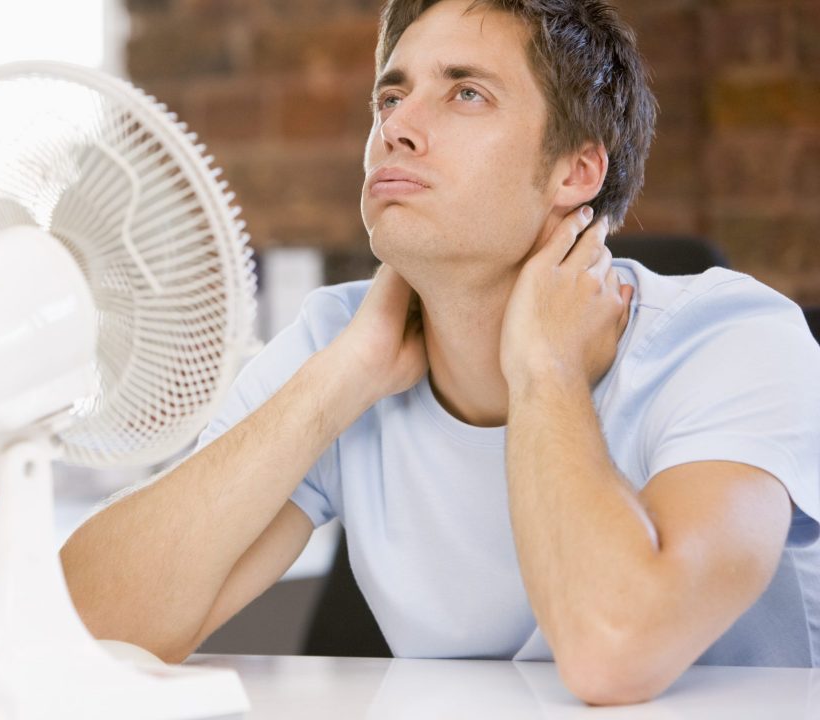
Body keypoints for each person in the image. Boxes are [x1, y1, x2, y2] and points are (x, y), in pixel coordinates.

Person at [59, 0, 820, 706]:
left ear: (577, 172)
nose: (398, 127)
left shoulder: (730, 335)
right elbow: (79, 633)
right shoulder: (341, 343)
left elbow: (614, 653)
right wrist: (338, 384)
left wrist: (545, 371)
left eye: (466, 95)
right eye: (391, 98)